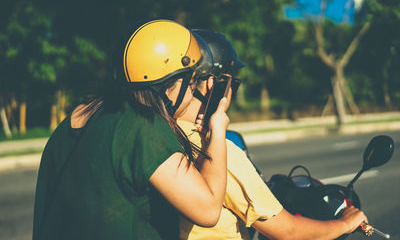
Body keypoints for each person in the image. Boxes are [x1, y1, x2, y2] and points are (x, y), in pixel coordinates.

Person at [32, 19, 230, 240]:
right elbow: (208, 210)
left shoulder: (79, 116)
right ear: (174, 82)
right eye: (192, 82)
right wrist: (218, 129)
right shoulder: (143, 126)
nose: (192, 93)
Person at [177, 29, 368, 240]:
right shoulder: (217, 150)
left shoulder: (163, 134)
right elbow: (289, 232)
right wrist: (344, 223)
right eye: (232, 83)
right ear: (217, 85)